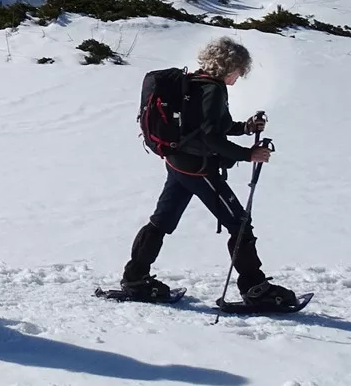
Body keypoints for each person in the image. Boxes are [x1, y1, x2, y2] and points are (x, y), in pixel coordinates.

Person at [117, 37, 297, 308]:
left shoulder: (196, 83)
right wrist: (248, 154)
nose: (240, 76)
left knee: (161, 221)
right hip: (198, 169)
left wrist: (245, 128)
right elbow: (211, 138)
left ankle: (135, 278)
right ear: (230, 66)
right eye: (240, 70)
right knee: (239, 223)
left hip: (178, 162)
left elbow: (206, 126)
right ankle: (255, 288)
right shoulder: (213, 90)